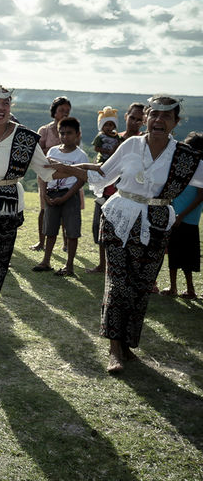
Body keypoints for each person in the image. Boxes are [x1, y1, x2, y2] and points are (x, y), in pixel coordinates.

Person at [83, 96, 203, 373]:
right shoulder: (131, 145)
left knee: (140, 287)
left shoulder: (184, 156)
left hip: (157, 223)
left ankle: (127, 344)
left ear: (176, 123)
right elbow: (104, 173)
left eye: (166, 116)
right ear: (147, 117)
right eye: (154, 115)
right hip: (119, 218)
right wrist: (75, 169)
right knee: (119, 282)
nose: (159, 120)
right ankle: (114, 348)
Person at [0, 86, 79, 342]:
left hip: (7, 208)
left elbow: (46, 170)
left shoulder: (25, 138)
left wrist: (80, 170)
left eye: (6, 103)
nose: (1, 107)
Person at [89, 103, 147, 274]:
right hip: (107, 191)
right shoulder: (114, 137)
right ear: (125, 116)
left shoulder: (143, 141)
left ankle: (123, 268)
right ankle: (102, 265)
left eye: (139, 119)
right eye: (132, 117)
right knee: (100, 228)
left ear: (144, 122)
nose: (135, 122)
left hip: (128, 197)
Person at [32, 117, 88, 276]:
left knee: (71, 232)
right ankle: (46, 261)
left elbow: (81, 180)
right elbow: (43, 173)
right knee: (50, 230)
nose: (65, 137)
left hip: (70, 195)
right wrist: (44, 194)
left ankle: (69, 266)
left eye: (69, 133)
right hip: (51, 194)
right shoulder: (53, 151)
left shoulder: (81, 156)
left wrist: (66, 197)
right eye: (62, 133)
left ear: (78, 134)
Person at [160, 132, 203, 298]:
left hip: (187, 220)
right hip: (175, 217)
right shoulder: (184, 168)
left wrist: (181, 216)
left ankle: (190, 289)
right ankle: (173, 287)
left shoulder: (200, 169)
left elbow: (200, 196)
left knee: (186, 257)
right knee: (173, 253)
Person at [30, 96, 71, 251]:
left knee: (66, 210)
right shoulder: (45, 130)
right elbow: (37, 152)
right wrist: (55, 152)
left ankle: (66, 243)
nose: (65, 114)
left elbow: (75, 149)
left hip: (67, 176)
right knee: (44, 208)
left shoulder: (71, 130)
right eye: (61, 110)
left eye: (67, 111)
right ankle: (41, 241)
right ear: (54, 112)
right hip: (46, 175)